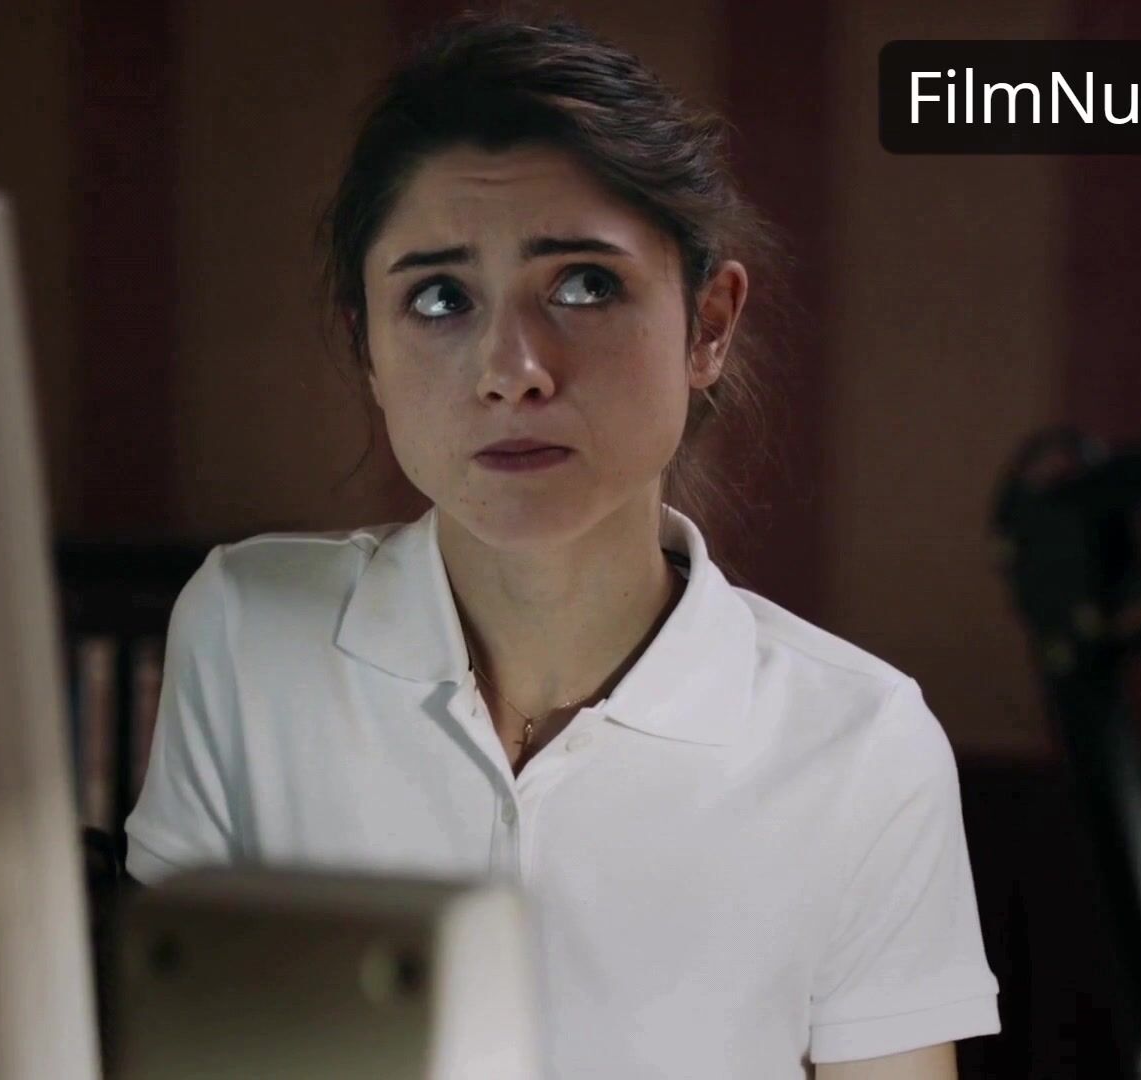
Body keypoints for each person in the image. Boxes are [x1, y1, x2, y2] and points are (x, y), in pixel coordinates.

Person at [124, 10, 999, 1078]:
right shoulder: (250, 635)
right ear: (367, 347)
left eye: (585, 284)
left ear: (709, 325)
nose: (513, 369)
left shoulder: (860, 745)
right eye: (439, 298)